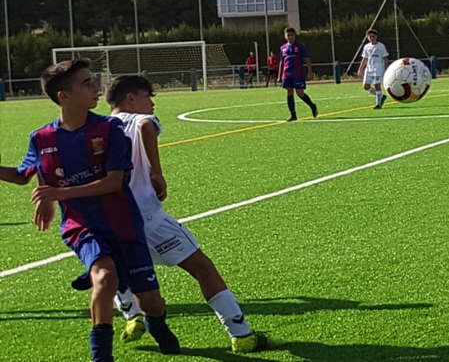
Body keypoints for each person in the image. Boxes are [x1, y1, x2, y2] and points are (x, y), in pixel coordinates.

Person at [0, 59, 180, 361]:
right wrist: (48, 194)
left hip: (123, 223)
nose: (95, 86)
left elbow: (113, 182)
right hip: (81, 226)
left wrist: (57, 193)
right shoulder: (41, 138)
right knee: (104, 277)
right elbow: (23, 175)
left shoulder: (110, 128)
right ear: (64, 96)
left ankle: (157, 323)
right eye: (86, 83)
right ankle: (101, 357)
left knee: (151, 301)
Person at [106, 75, 281, 353]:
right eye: (147, 96)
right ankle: (241, 334)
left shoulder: (96, 128)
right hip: (148, 217)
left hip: (112, 220)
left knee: (115, 269)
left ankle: (132, 314)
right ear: (130, 98)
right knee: (202, 268)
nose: (151, 102)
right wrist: (156, 171)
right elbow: (146, 126)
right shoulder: (137, 119)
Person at [279, 28, 318, 121]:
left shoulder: (300, 46)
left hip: (298, 73)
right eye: (288, 35)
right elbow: (282, 61)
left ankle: (312, 106)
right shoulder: (283, 48)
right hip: (287, 74)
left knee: (300, 93)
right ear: (285, 36)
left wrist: (310, 72)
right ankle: (293, 115)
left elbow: (307, 59)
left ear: (294, 36)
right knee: (289, 92)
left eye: (292, 35)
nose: (290, 37)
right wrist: (279, 75)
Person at [357, 29, 390, 109]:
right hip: (369, 68)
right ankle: (381, 96)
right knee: (366, 86)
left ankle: (378, 104)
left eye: (373, 36)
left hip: (378, 68)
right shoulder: (366, 47)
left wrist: (386, 69)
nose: (372, 38)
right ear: (367, 37)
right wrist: (360, 69)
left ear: (376, 37)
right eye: (370, 36)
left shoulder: (381, 46)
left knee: (377, 85)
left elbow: (385, 58)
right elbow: (365, 58)